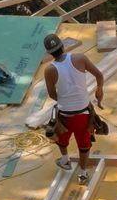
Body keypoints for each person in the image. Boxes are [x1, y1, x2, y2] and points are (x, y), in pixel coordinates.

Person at [25, 33, 106, 183]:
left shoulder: (50, 70)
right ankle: (82, 173)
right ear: (63, 46)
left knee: (61, 137)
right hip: (83, 114)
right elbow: (99, 76)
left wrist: (67, 100)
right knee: (84, 145)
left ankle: (65, 160)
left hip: (65, 115)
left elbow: (52, 94)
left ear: (49, 53)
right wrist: (99, 90)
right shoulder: (80, 58)